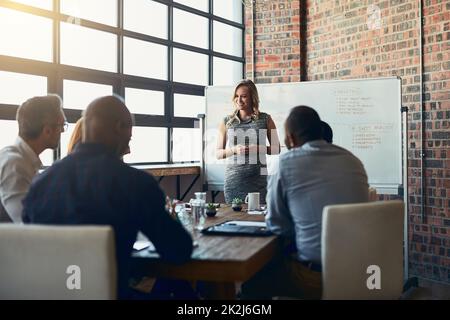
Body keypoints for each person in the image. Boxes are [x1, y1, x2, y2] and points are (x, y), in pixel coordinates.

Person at [23, 95, 193, 299]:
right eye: (130, 134)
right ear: (120, 126)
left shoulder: (40, 183)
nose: (129, 142)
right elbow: (178, 250)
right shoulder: (134, 183)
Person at [241, 105, 369, 299]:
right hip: (361, 275)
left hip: (314, 278)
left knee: (254, 278)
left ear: (291, 139)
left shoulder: (286, 163)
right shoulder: (353, 160)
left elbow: (277, 225)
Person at [0, 95, 66, 223]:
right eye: (62, 125)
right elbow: (26, 222)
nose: (63, 131)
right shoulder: (14, 164)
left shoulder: (25, 161)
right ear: (47, 131)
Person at [216, 79, 280, 204]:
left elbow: (277, 148)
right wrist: (234, 150)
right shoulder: (226, 121)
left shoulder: (266, 119)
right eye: (236, 96)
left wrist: (258, 148)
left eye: (244, 96)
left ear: (252, 98)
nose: (239, 100)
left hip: (258, 183)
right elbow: (218, 154)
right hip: (234, 183)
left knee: (258, 219)